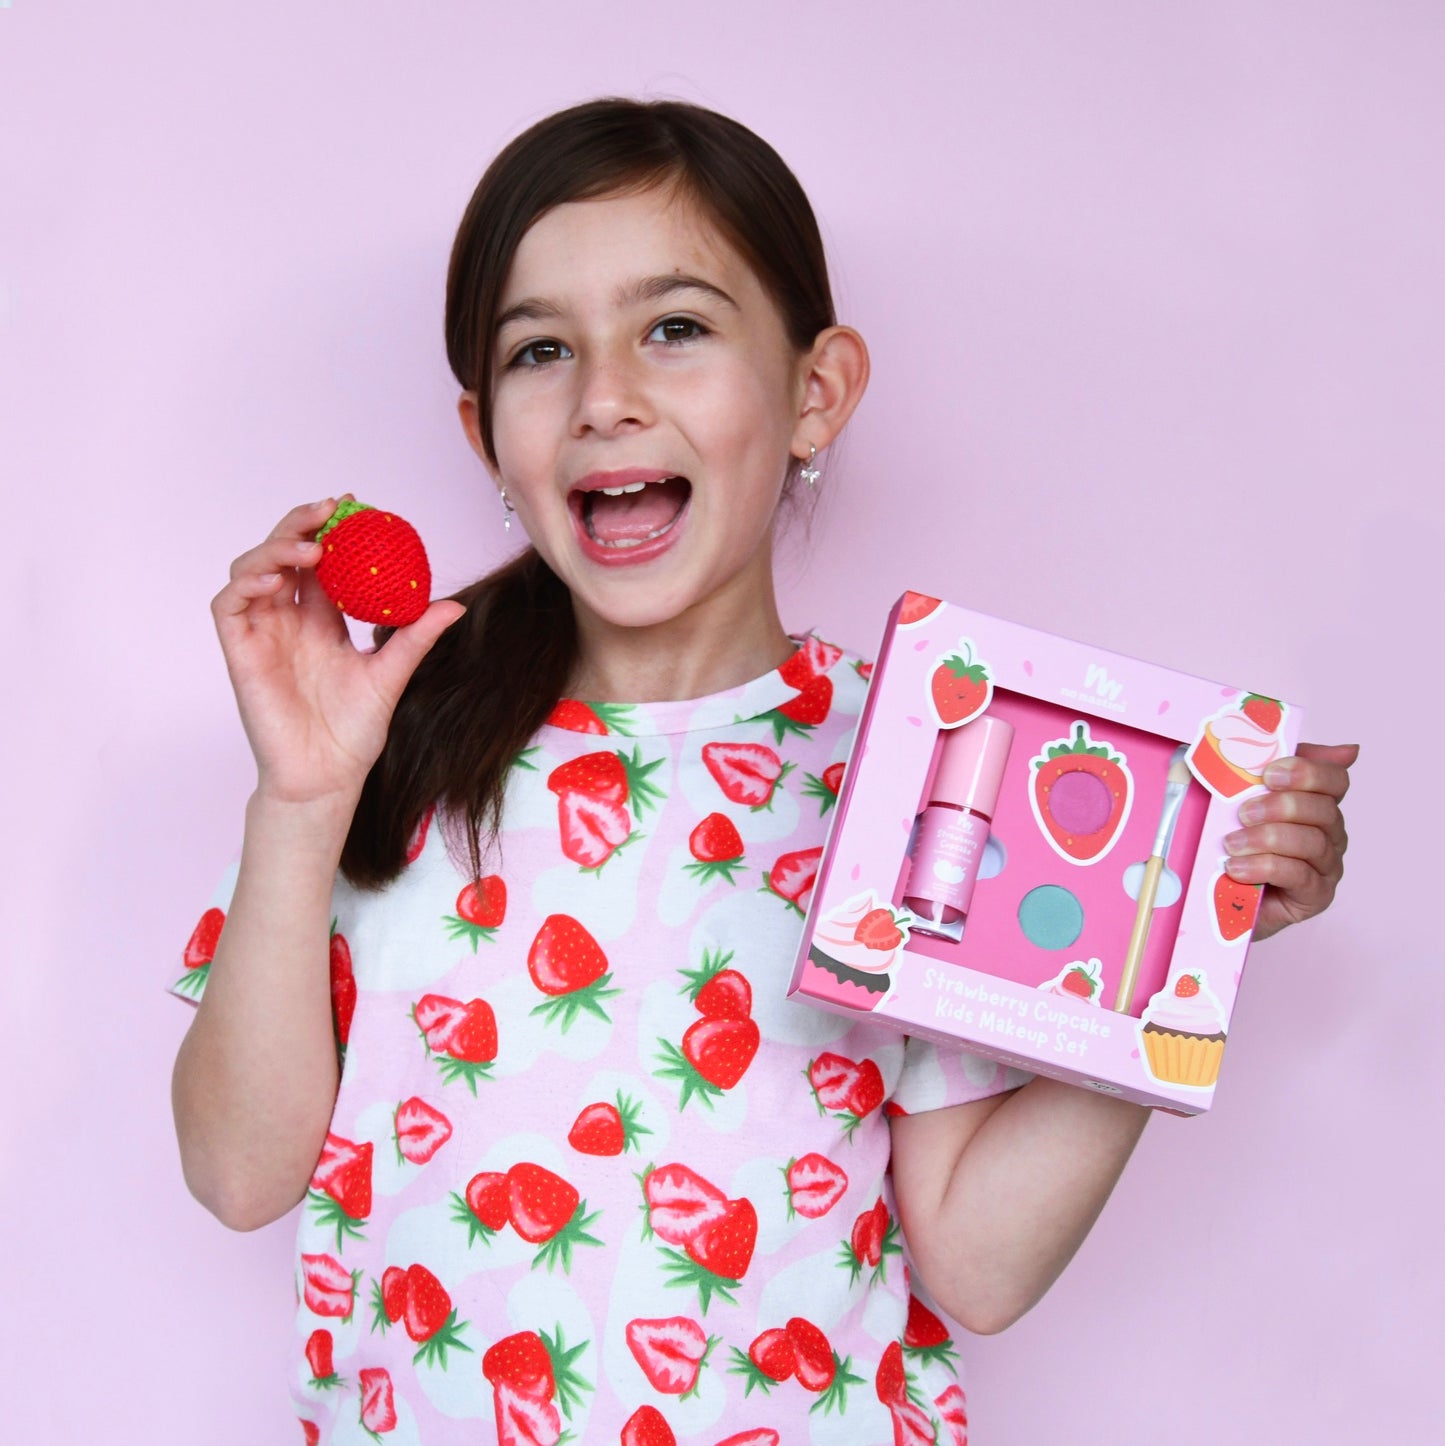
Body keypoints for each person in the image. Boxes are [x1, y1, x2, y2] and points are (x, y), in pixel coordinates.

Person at [169, 98, 1357, 1446]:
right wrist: (303, 803)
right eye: (540, 349)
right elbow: (235, 1171)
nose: (604, 393)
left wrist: (1175, 952)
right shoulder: (383, 733)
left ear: (815, 390)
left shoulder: (926, 756)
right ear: (482, 433)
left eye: (673, 327)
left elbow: (975, 1260)